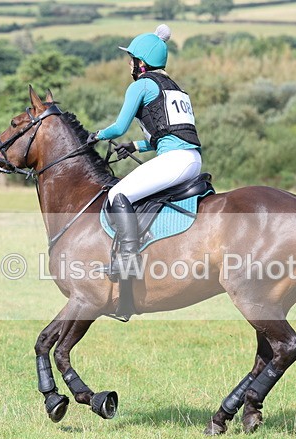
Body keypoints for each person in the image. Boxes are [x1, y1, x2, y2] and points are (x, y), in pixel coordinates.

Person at [87, 24, 202, 278]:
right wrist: (136, 146)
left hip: (174, 161)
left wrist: (96, 136)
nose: (130, 65)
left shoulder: (142, 85)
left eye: (132, 60)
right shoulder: (175, 88)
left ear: (142, 63)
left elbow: (118, 127)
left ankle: (128, 260)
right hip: (192, 160)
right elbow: (167, 134)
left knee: (118, 194)